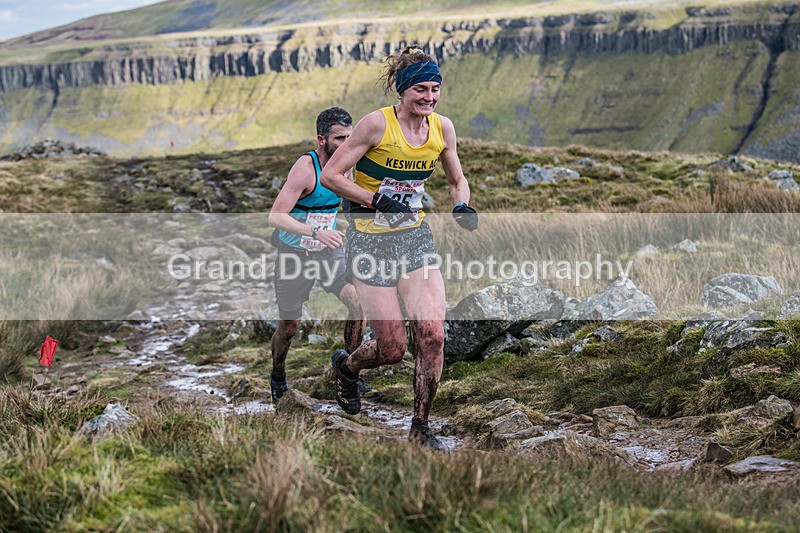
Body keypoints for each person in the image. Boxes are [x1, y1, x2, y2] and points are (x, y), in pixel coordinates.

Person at [320, 46, 478, 449]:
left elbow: (457, 178)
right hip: (369, 240)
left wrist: (462, 204)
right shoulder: (376, 125)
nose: (429, 97)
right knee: (391, 348)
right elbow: (331, 175)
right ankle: (348, 368)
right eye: (421, 89)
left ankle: (420, 427)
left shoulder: (442, 129)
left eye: (435, 89)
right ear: (404, 91)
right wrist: (375, 201)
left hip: (413, 237)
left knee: (432, 334)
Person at [267, 106, 366, 404]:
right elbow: (275, 216)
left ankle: (349, 374)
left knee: (357, 303)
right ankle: (278, 374)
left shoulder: (346, 165)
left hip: (328, 253)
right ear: (321, 139)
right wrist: (314, 232)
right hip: (294, 252)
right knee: (290, 326)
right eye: (339, 138)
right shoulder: (305, 167)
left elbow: (350, 201)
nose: (346, 144)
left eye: (350, 137)